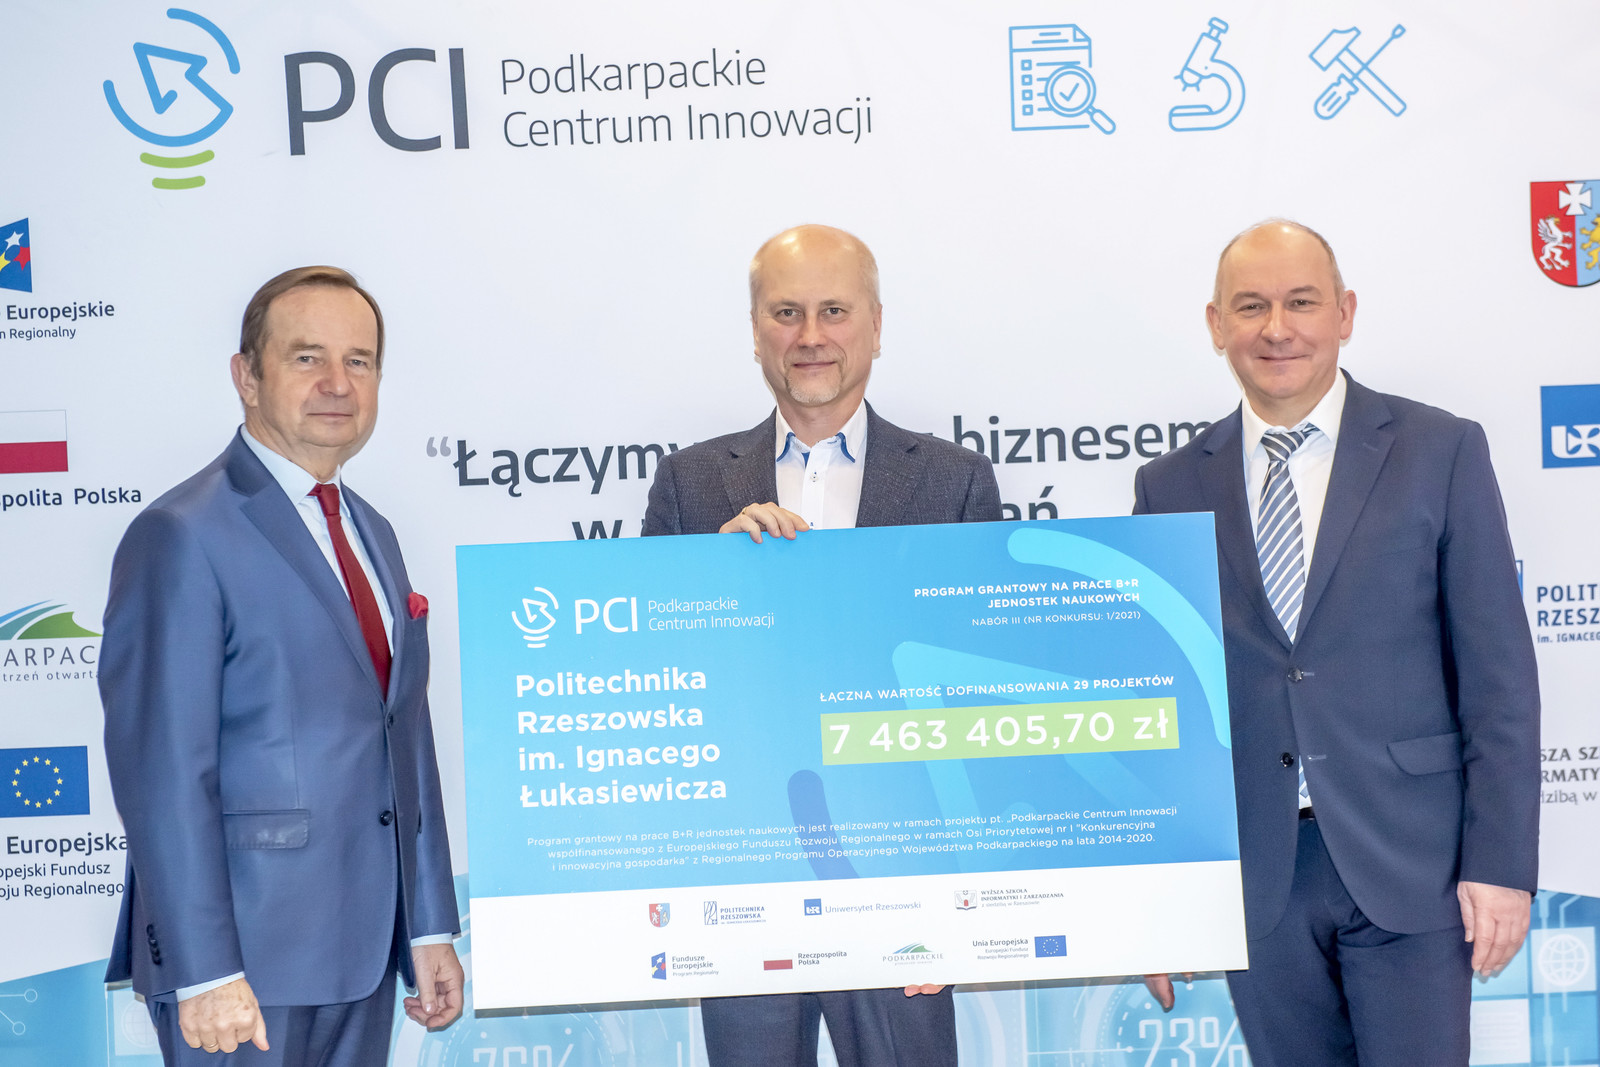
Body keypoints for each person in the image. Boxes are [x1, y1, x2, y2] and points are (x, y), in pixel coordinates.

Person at [1133, 221, 1539, 1066]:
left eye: (1301, 302)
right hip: (1260, 876)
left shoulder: (1440, 450)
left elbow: (1498, 679)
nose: (1277, 328)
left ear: (1345, 313)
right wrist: (1159, 893)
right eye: (1252, 306)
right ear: (1216, 324)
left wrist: (1502, 862)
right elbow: (1157, 704)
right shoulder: (1169, 484)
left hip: (1416, 865)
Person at [643, 224, 1000, 1066]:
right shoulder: (690, 483)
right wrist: (713, 578)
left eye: (834, 311)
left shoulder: (954, 480)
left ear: (875, 325)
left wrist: (963, 903)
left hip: (903, 875)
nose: (810, 335)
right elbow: (656, 674)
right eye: (786, 312)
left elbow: (978, 693)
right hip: (743, 871)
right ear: (755, 330)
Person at [100, 266, 464, 1065]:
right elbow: (163, 770)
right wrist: (204, 969)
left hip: (364, 953)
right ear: (247, 376)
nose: (338, 382)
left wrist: (429, 924)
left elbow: (402, 738)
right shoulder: (181, 534)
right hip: (243, 967)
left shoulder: (373, 531)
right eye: (307, 357)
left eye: (359, 361)